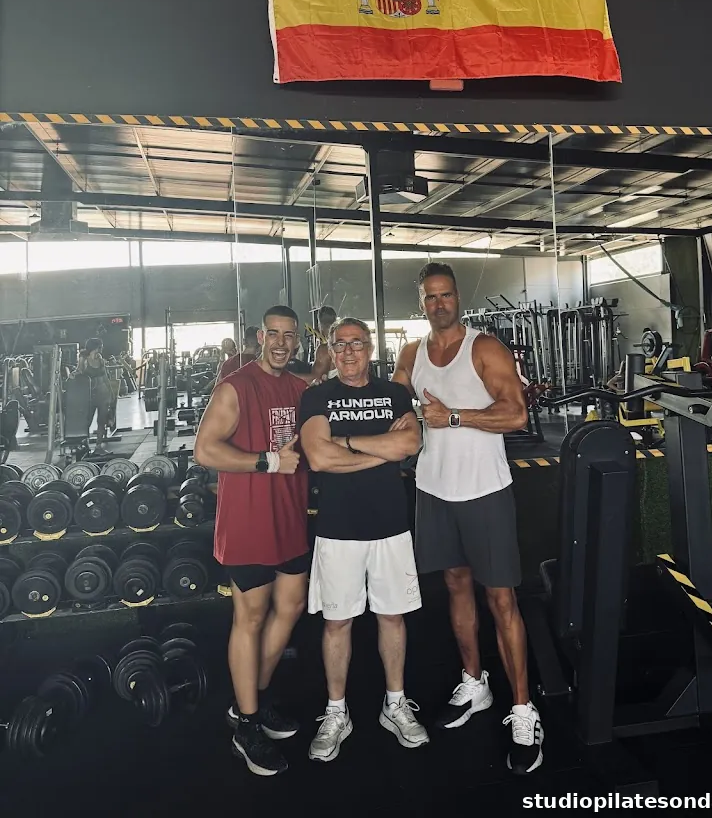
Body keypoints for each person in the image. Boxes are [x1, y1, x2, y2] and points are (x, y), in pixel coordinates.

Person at [392, 263, 543, 775]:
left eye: (446, 295)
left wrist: (453, 417)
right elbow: (387, 404)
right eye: (430, 297)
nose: (439, 304)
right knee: (456, 586)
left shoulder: (485, 348)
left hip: (484, 492)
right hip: (434, 490)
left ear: (458, 298)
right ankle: (475, 683)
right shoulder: (411, 354)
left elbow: (516, 414)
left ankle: (523, 709)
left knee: (500, 599)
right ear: (421, 303)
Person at [299, 317, 428, 762]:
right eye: (340, 345)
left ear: (370, 348)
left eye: (357, 343)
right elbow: (319, 456)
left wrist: (347, 442)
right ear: (331, 352)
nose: (349, 352)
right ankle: (337, 712)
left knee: (392, 616)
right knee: (337, 622)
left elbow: (409, 445)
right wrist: (380, 450)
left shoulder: (395, 394)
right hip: (338, 529)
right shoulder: (317, 396)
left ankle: (395, 704)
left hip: (390, 525)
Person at [194, 305, 309, 778]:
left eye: (289, 335)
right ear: (261, 337)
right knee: (252, 617)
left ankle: (252, 702)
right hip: (248, 523)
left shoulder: (299, 388)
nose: (281, 343)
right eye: (273, 334)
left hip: (290, 518)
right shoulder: (235, 387)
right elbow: (205, 450)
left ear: (297, 340)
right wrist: (267, 462)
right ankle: (246, 724)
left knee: (292, 606)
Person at [77, 337, 115, 449]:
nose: (102, 349)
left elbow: (105, 377)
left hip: (103, 394)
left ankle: (98, 445)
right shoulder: (84, 360)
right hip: (90, 395)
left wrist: (111, 392)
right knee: (87, 421)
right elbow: (79, 373)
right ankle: (84, 444)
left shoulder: (101, 360)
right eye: (100, 347)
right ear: (95, 347)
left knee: (101, 421)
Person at [310, 305, 338, 382]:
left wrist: (287, 375)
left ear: (320, 325)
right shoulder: (346, 345)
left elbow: (314, 379)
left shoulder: (325, 350)